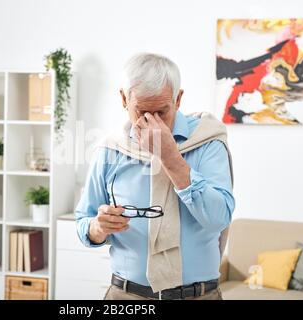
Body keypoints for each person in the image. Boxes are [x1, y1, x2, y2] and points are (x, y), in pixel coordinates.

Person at [75, 53, 235, 300]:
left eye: (161, 112)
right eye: (142, 112)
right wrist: (98, 227)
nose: (151, 122)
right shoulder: (110, 149)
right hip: (126, 296)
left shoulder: (208, 143)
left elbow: (219, 218)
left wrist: (170, 157)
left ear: (178, 99)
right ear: (124, 99)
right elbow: (84, 221)